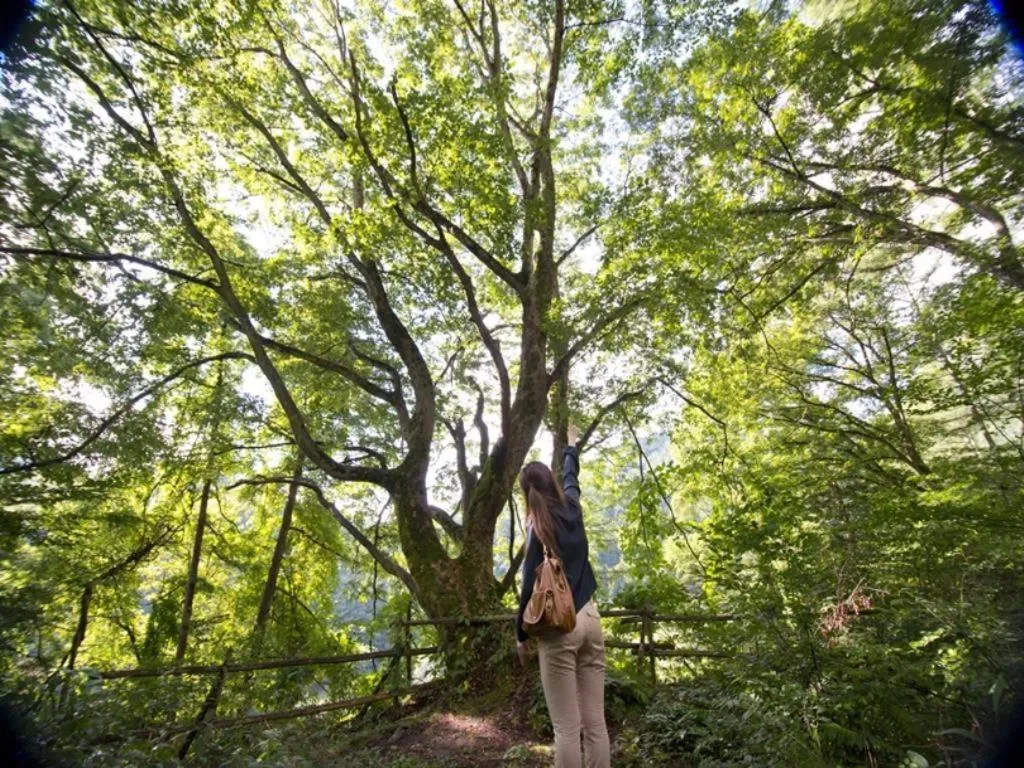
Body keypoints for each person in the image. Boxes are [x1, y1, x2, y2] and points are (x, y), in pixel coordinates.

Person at [515, 422, 610, 768]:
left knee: (567, 729)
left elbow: (529, 584)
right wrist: (571, 446)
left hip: (560, 627)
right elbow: (572, 479)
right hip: (591, 619)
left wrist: (520, 633)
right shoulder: (573, 507)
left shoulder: (536, 526)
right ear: (551, 483)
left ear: (526, 493)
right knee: (595, 722)